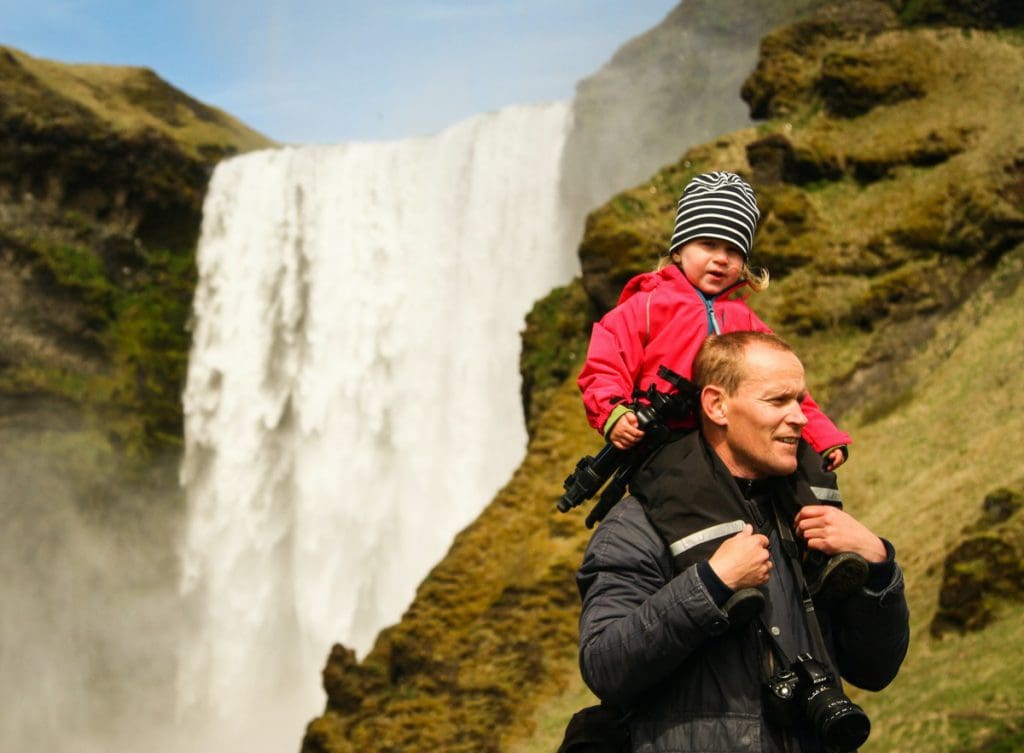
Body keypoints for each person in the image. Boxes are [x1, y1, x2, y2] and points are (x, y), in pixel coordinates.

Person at [575, 331, 910, 753]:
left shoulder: (811, 521)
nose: (801, 418)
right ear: (717, 405)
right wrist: (710, 586)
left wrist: (878, 568)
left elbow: (876, 668)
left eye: (800, 401)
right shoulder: (636, 525)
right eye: (778, 401)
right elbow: (604, 664)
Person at [577, 170, 861, 599]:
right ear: (679, 248)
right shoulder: (645, 306)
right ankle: (723, 583)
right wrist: (614, 413)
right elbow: (603, 365)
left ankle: (826, 557)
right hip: (669, 442)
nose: (720, 259)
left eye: (733, 250)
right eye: (707, 245)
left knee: (806, 464)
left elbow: (788, 387)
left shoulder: (746, 321)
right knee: (688, 493)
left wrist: (823, 436)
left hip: (737, 433)